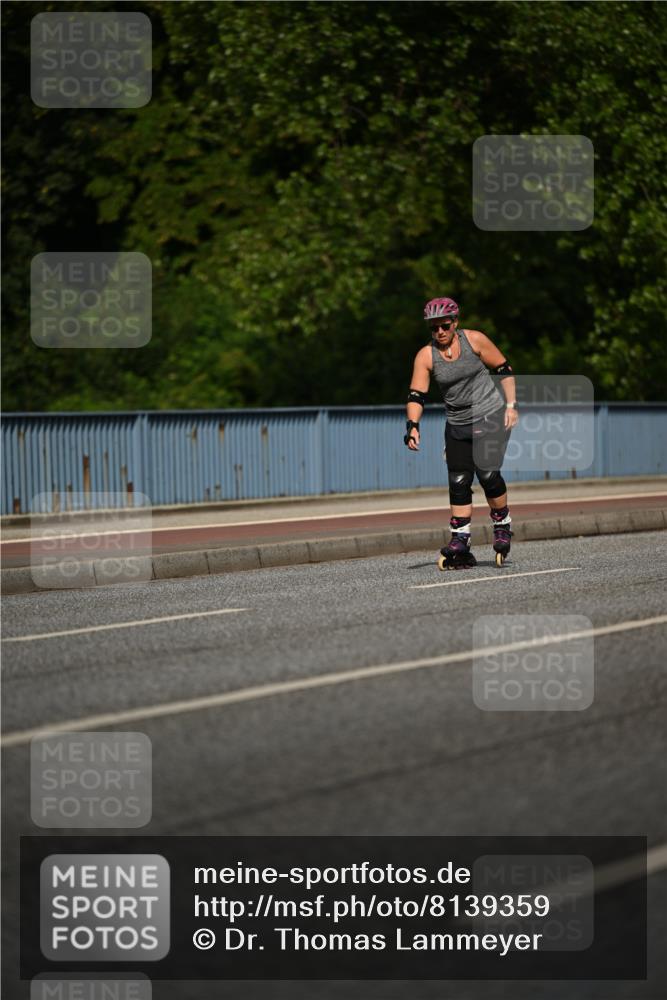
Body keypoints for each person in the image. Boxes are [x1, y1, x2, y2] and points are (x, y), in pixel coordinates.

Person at [404, 297, 518, 568]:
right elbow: (416, 394)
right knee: (458, 481)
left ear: (455, 322)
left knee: (488, 473)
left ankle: (502, 523)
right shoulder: (426, 356)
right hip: (457, 423)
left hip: (490, 415)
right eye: (434, 328)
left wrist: (512, 405)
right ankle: (461, 539)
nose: (439, 332)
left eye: (444, 326)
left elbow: (503, 369)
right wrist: (413, 426)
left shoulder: (474, 340)